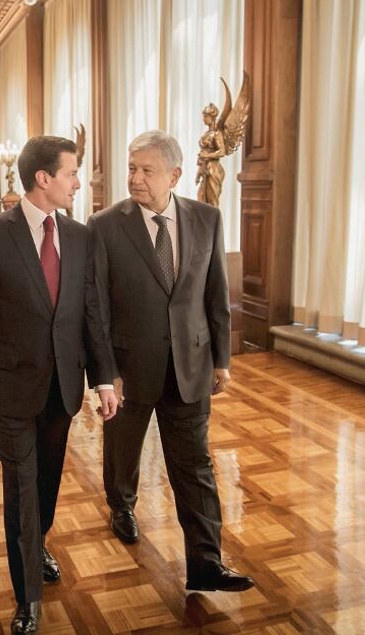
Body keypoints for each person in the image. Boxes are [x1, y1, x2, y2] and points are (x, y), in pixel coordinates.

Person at [0, 136, 119, 633]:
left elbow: (91, 312)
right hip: (9, 389)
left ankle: (37, 544)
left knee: (45, 483)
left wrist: (104, 378)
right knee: (22, 489)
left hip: (62, 388)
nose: (78, 182)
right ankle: (27, 600)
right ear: (43, 179)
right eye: (71, 173)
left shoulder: (80, 235)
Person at [87, 130, 254, 593]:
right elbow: (95, 307)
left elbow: (215, 295)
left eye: (147, 170)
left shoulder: (206, 219)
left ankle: (206, 563)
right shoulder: (103, 225)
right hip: (128, 369)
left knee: (195, 466)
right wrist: (105, 375)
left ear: (175, 175)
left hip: (191, 366)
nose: (135, 179)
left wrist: (222, 358)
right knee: (123, 453)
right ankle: (121, 505)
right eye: (131, 168)